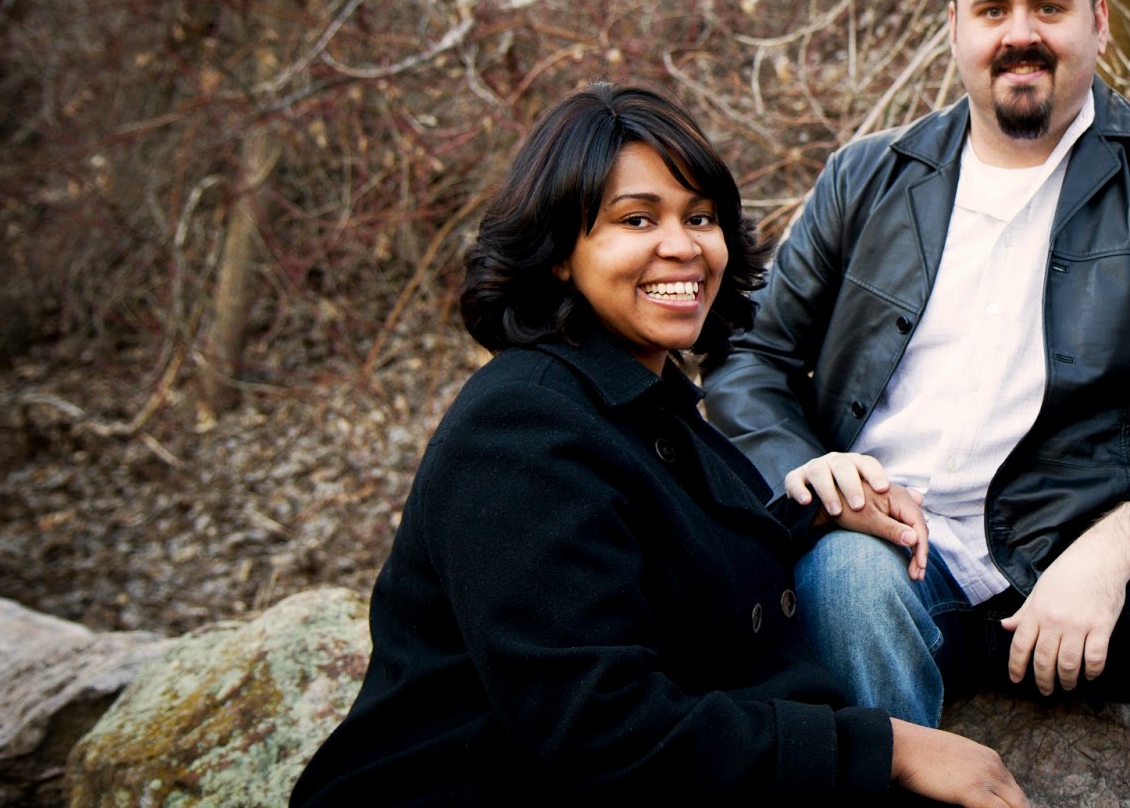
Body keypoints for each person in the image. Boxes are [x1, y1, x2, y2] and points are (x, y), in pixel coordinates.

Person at [702, 0, 1130, 806]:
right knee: (843, 576)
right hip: (890, 564)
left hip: (1085, 571)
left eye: (1049, 6)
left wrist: (1108, 555)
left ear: (1099, 23)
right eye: (993, 10)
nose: (1020, 34)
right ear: (955, 29)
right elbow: (749, 354)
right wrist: (814, 474)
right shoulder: (865, 176)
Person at [289, 82, 1028, 807]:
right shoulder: (520, 426)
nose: (682, 247)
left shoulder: (648, 406)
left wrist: (815, 513)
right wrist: (887, 749)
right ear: (559, 250)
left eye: (700, 217)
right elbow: (597, 728)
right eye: (637, 219)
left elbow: (675, 570)